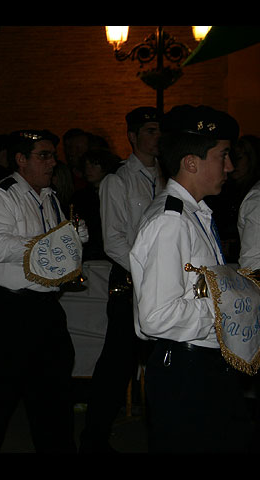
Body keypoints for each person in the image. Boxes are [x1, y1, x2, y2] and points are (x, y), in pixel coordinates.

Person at [130, 104, 252, 453]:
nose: (229, 166)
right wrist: (225, 305)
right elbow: (156, 316)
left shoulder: (193, 214)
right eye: (223, 155)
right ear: (191, 162)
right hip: (187, 366)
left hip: (204, 362)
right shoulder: (172, 222)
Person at [0, 129, 88, 453]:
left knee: (54, 399)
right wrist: (47, 245)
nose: (53, 162)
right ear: (21, 160)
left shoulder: (49, 196)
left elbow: (56, 252)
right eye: (44, 156)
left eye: (53, 155)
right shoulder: (2, 196)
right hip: (10, 310)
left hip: (45, 308)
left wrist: (72, 239)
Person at [79, 106, 165, 453]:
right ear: (132, 136)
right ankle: (94, 438)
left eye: (160, 131)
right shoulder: (118, 180)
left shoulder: (168, 177)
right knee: (118, 363)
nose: (156, 137)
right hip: (132, 279)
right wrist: (149, 271)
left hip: (162, 281)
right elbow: (114, 240)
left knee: (161, 362)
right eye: (149, 131)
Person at [208, 134, 260, 262]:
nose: (233, 164)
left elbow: (253, 257)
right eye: (230, 157)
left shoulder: (254, 196)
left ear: (252, 159)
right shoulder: (220, 190)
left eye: (239, 158)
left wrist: (232, 247)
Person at [71, 148, 121, 261]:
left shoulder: (117, 193)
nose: (89, 169)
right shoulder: (80, 197)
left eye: (94, 164)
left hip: (112, 254)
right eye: (86, 165)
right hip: (91, 257)